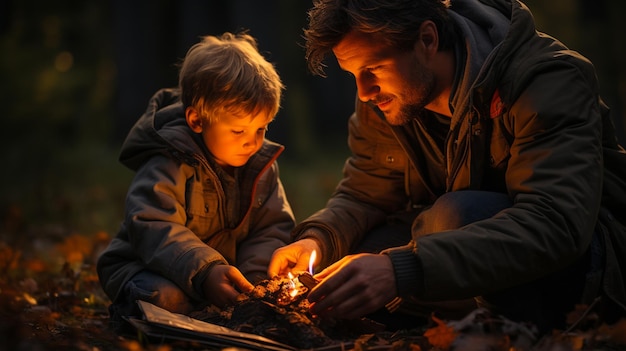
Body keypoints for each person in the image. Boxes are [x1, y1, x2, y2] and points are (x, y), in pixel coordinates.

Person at [269, 0, 626, 333]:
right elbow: (366, 194)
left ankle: (499, 334)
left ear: (427, 39)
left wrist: (402, 269)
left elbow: (555, 224)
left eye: (373, 68)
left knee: (456, 215)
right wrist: (318, 240)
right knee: (347, 259)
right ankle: (429, 326)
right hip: (455, 250)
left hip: (586, 271)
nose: (364, 91)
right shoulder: (391, 99)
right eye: (353, 74)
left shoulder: (546, 80)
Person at [97, 32, 296, 331]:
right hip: (148, 269)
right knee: (166, 299)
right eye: (239, 131)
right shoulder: (170, 161)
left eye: (261, 129)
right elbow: (152, 225)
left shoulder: (261, 167)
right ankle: (130, 314)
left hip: (216, 280)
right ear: (197, 120)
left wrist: (252, 283)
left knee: (257, 309)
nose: (253, 142)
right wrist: (206, 272)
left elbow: (271, 228)